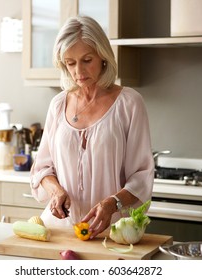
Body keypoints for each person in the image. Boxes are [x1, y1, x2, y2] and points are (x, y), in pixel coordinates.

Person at [30, 15, 154, 238]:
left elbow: (142, 175)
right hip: (59, 232)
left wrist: (112, 204)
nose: (78, 71)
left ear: (103, 57)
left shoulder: (129, 103)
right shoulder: (58, 105)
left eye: (87, 60)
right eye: (70, 63)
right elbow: (41, 169)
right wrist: (55, 191)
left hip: (111, 233)